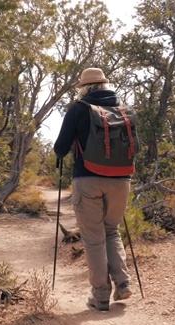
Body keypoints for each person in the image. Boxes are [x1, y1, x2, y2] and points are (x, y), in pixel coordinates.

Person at [54, 67, 133, 311]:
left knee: (94, 239)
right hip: (121, 179)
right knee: (112, 231)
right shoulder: (123, 110)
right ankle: (123, 284)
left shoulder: (78, 109)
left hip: (87, 179)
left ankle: (100, 296)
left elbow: (60, 147)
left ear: (83, 88)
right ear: (104, 85)